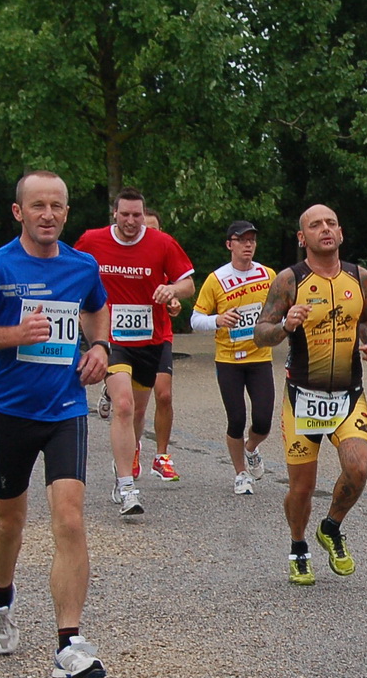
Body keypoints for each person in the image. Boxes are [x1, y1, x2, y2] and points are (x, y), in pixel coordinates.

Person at [0, 170, 111, 678]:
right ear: (18, 212)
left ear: (67, 212)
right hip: (11, 414)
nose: (49, 215)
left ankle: (69, 643)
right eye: (37, 206)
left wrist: (101, 347)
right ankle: (1, 598)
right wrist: (15, 332)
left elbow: (97, 307)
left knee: (69, 519)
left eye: (57, 206)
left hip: (66, 411)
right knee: (9, 523)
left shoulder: (82, 266)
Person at [253, 205, 367, 584]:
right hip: (302, 398)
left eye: (330, 224)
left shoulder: (361, 277)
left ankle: (331, 526)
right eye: (315, 225)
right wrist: (283, 326)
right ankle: (298, 546)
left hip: (348, 395)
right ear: (302, 237)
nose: (324, 229)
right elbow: (261, 331)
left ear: (340, 233)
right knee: (302, 488)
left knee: (358, 469)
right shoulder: (288, 281)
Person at [73, 187, 196, 517]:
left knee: (138, 413)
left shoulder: (162, 243)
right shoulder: (92, 241)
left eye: (137, 215)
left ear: (144, 215)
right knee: (123, 406)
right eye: (125, 214)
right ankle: (128, 487)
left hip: (149, 340)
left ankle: (124, 462)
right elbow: (71, 270)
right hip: (110, 338)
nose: (131, 221)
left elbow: (188, 283)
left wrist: (172, 289)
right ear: (114, 213)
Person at [191, 219, 276, 494]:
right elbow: (195, 320)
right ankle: (241, 473)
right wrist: (218, 320)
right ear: (230, 245)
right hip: (229, 360)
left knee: (263, 420)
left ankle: (251, 448)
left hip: (259, 357)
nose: (248, 245)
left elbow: (282, 309)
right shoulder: (216, 279)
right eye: (242, 240)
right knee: (236, 418)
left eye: (252, 240)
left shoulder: (268, 275)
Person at [130, 208, 188, 482]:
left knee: (164, 396)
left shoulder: (164, 254)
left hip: (159, 335)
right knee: (135, 406)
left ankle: (162, 456)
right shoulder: (129, 257)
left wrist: (173, 299)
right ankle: (132, 449)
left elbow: (177, 287)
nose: (149, 234)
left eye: (154, 229)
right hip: (128, 338)